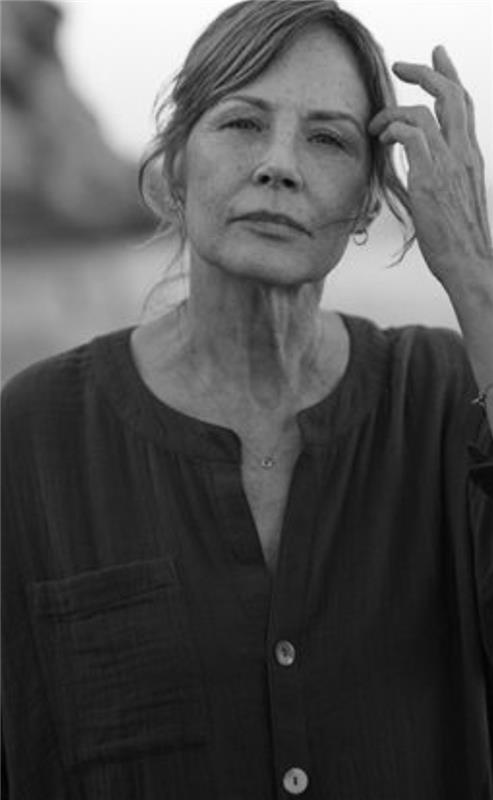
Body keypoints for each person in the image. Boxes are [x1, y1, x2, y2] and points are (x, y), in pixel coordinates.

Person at [2, 0, 493, 797]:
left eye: (327, 138)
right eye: (240, 123)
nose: (279, 164)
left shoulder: (443, 395)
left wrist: (473, 276)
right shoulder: (33, 436)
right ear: (175, 162)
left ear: (368, 199)